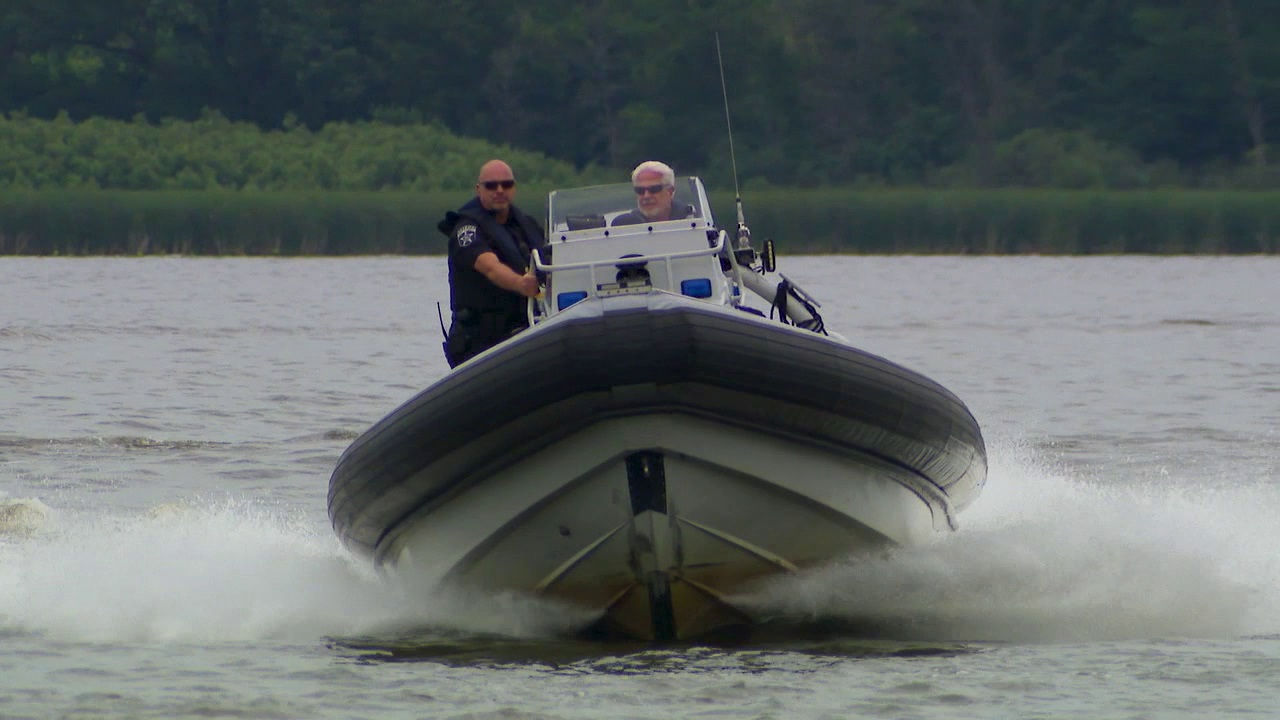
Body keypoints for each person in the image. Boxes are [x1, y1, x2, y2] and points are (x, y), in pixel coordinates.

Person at [437, 159, 548, 368]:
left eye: (506, 185)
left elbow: (550, 258)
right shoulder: (466, 230)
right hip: (479, 339)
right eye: (491, 185)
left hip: (519, 330)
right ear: (478, 189)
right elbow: (489, 266)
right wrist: (521, 284)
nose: (499, 190)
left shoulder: (525, 225)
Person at [611, 160, 696, 226]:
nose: (646, 196)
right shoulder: (626, 226)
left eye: (654, 189)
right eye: (640, 190)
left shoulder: (694, 220)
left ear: (670, 191)